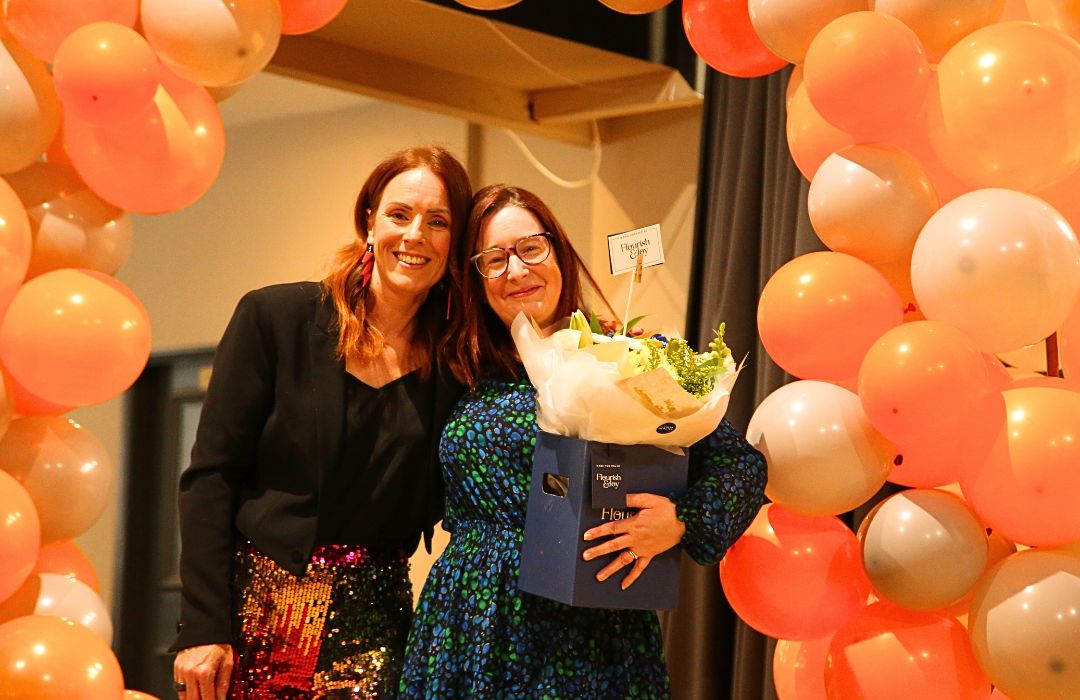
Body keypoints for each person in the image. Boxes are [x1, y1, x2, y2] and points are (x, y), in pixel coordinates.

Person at [400, 184, 767, 698]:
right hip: (468, 622)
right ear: (476, 281)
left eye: (531, 248)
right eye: (494, 259)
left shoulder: (628, 358)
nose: (517, 270)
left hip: (589, 630)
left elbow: (740, 464)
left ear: (559, 252)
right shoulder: (461, 367)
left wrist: (681, 521)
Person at [170, 145, 472, 700]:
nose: (415, 236)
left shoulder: (460, 360)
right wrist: (203, 627)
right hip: (258, 617)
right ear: (370, 222)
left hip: (377, 624)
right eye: (399, 214)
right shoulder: (276, 318)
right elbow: (211, 477)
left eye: (438, 222)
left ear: (455, 242)